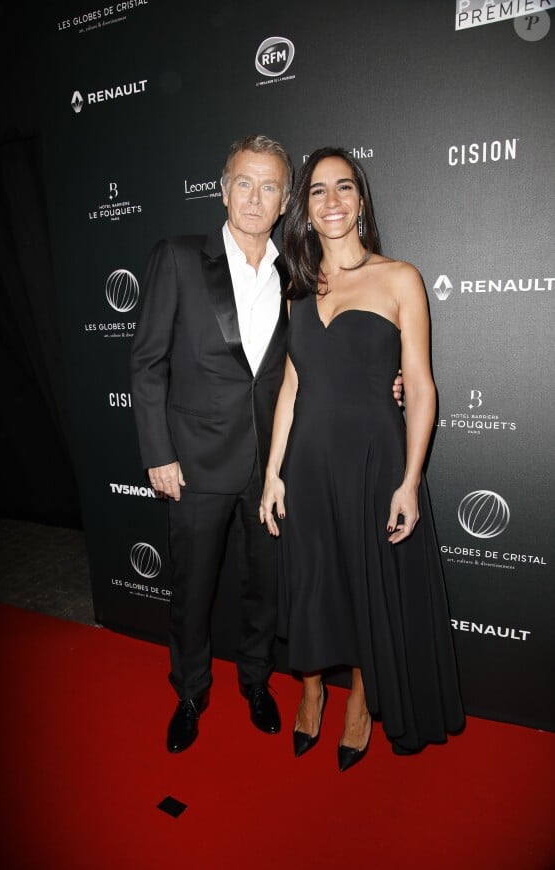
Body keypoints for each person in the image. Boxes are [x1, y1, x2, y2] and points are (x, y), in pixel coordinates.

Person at [130, 136, 403, 754]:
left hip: (275, 467)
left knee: (266, 589)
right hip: (193, 464)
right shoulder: (176, 257)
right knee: (192, 590)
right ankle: (191, 691)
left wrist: (385, 373)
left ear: (285, 202)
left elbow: (320, 358)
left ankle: (256, 681)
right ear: (223, 189)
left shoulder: (298, 275)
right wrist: (157, 452)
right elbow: (146, 363)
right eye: (244, 183)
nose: (256, 198)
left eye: (271, 186)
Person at [260, 146, 464, 771]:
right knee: (316, 583)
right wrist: (272, 471)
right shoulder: (296, 290)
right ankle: (312, 688)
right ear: (306, 208)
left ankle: (360, 699)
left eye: (343, 188)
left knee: (364, 585)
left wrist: (410, 479)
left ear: (361, 199)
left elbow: (422, 386)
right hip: (310, 464)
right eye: (318, 191)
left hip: (375, 463)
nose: (331, 201)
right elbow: (293, 387)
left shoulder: (400, 277)